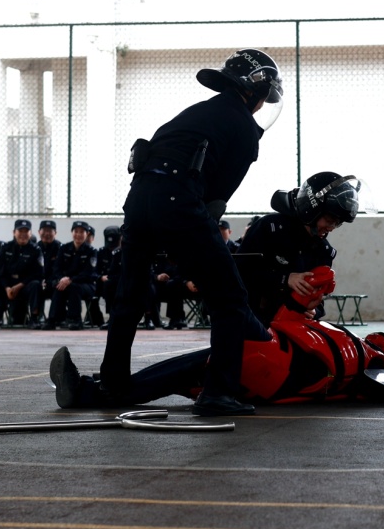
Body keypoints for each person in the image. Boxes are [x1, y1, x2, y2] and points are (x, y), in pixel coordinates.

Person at [95, 49, 284, 417]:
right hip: (178, 200)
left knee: (130, 295)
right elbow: (215, 201)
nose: (263, 106)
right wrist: (197, 249)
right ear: (255, 93)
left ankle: (112, 383)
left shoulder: (195, 112)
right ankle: (218, 393)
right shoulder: (244, 126)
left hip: (137, 200)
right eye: (263, 98)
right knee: (229, 297)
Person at [49, 267, 384, 409]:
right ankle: (98, 387)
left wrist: (308, 294)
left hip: (274, 364)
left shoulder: (350, 349)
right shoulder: (355, 358)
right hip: (275, 374)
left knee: (196, 364)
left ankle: (89, 393)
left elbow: (286, 323)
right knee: (184, 375)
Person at [237, 172, 368, 327]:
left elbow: (319, 300)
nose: (332, 228)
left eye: (337, 224)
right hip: (251, 322)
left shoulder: (324, 251)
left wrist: (314, 311)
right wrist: (286, 279)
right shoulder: (269, 228)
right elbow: (239, 274)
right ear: (314, 209)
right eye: (329, 220)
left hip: (293, 326)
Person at [43, 220, 98, 331]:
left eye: (81, 232)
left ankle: (75, 320)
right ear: (72, 232)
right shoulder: (64, 248)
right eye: (76, 231)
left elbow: (88, 273)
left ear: (86, 234)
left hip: (86, 285)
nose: (78, 234)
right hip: (66, 282)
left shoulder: (91, 251)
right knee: (58, 286)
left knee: (74, 287)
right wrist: (61, 279)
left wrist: (71, 279)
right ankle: (53, 320)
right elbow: (57, 268)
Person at [32, 220, 61, 328]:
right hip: (38, 281)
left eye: (50, 231)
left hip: (53, 281)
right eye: (44, 231)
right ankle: (35, 318)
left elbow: (60, 269)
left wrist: (50, 281)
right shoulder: (34, 247)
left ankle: (52, 320)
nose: (47, 234)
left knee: (58, 287)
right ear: (39, 232)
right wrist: (40, 280)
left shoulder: (60, 248)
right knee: (34, 285)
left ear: (55, 233)